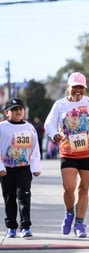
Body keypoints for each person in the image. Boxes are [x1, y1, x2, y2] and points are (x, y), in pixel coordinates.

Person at [44, 72, 89, 238]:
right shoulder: (59, 105)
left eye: (81, 87)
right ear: (68, 87)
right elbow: (48, 123)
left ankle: (79, 223)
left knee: (83, 188)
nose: (78, 90)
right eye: (74, 87)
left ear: (84, 89)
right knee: (68, 188)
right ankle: (69, 212)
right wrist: (54, 134)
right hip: (68, 151)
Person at [0, 98, 41, 238]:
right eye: (14, 109)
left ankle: (25, 226)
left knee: (24, 196)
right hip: (6, 170)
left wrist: (35, 167)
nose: (18, 112)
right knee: (9, 197)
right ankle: (11, 226)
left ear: (24, 111)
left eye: (20, 109)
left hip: (24, 168)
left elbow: (35, 149)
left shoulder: (29, 127)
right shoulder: (2, 127)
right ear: (7, 112)